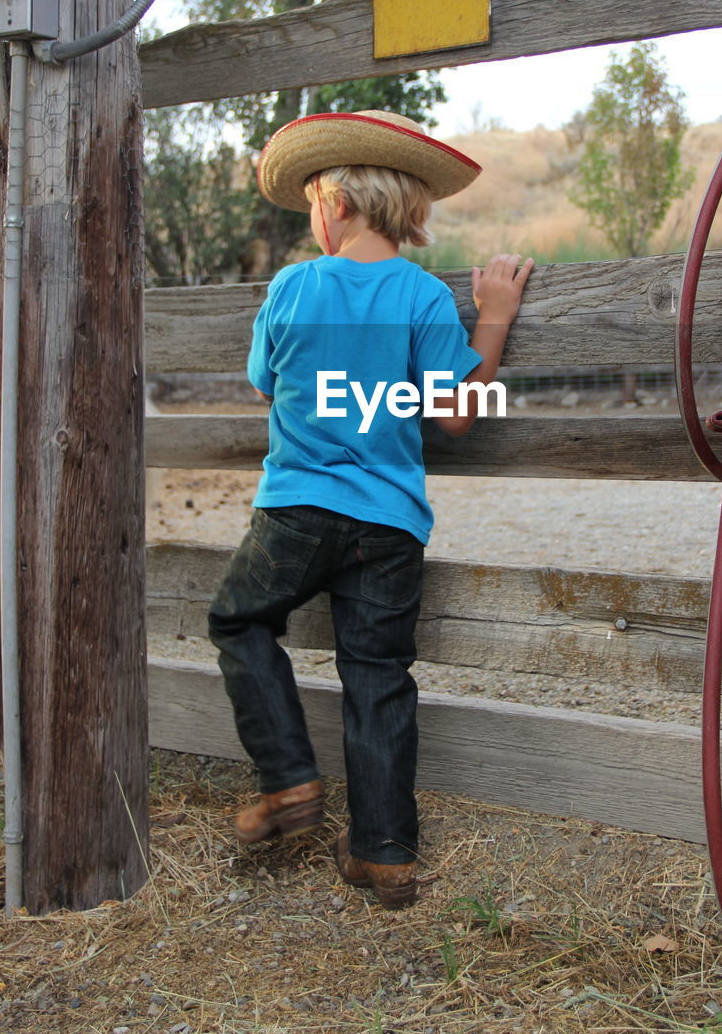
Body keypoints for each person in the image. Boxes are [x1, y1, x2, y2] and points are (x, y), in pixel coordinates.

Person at [207, 109, 533, 909]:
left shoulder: (293, 286)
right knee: (378, 676)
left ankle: (288, 779)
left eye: (313, 199)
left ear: (339, 206)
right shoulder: (422, 298)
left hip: (296, 509)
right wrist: (492, 317)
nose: (313, 214)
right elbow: (454, 413)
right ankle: (385, 852)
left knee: (238, 621)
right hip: (388, 523)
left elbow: (262, 382)